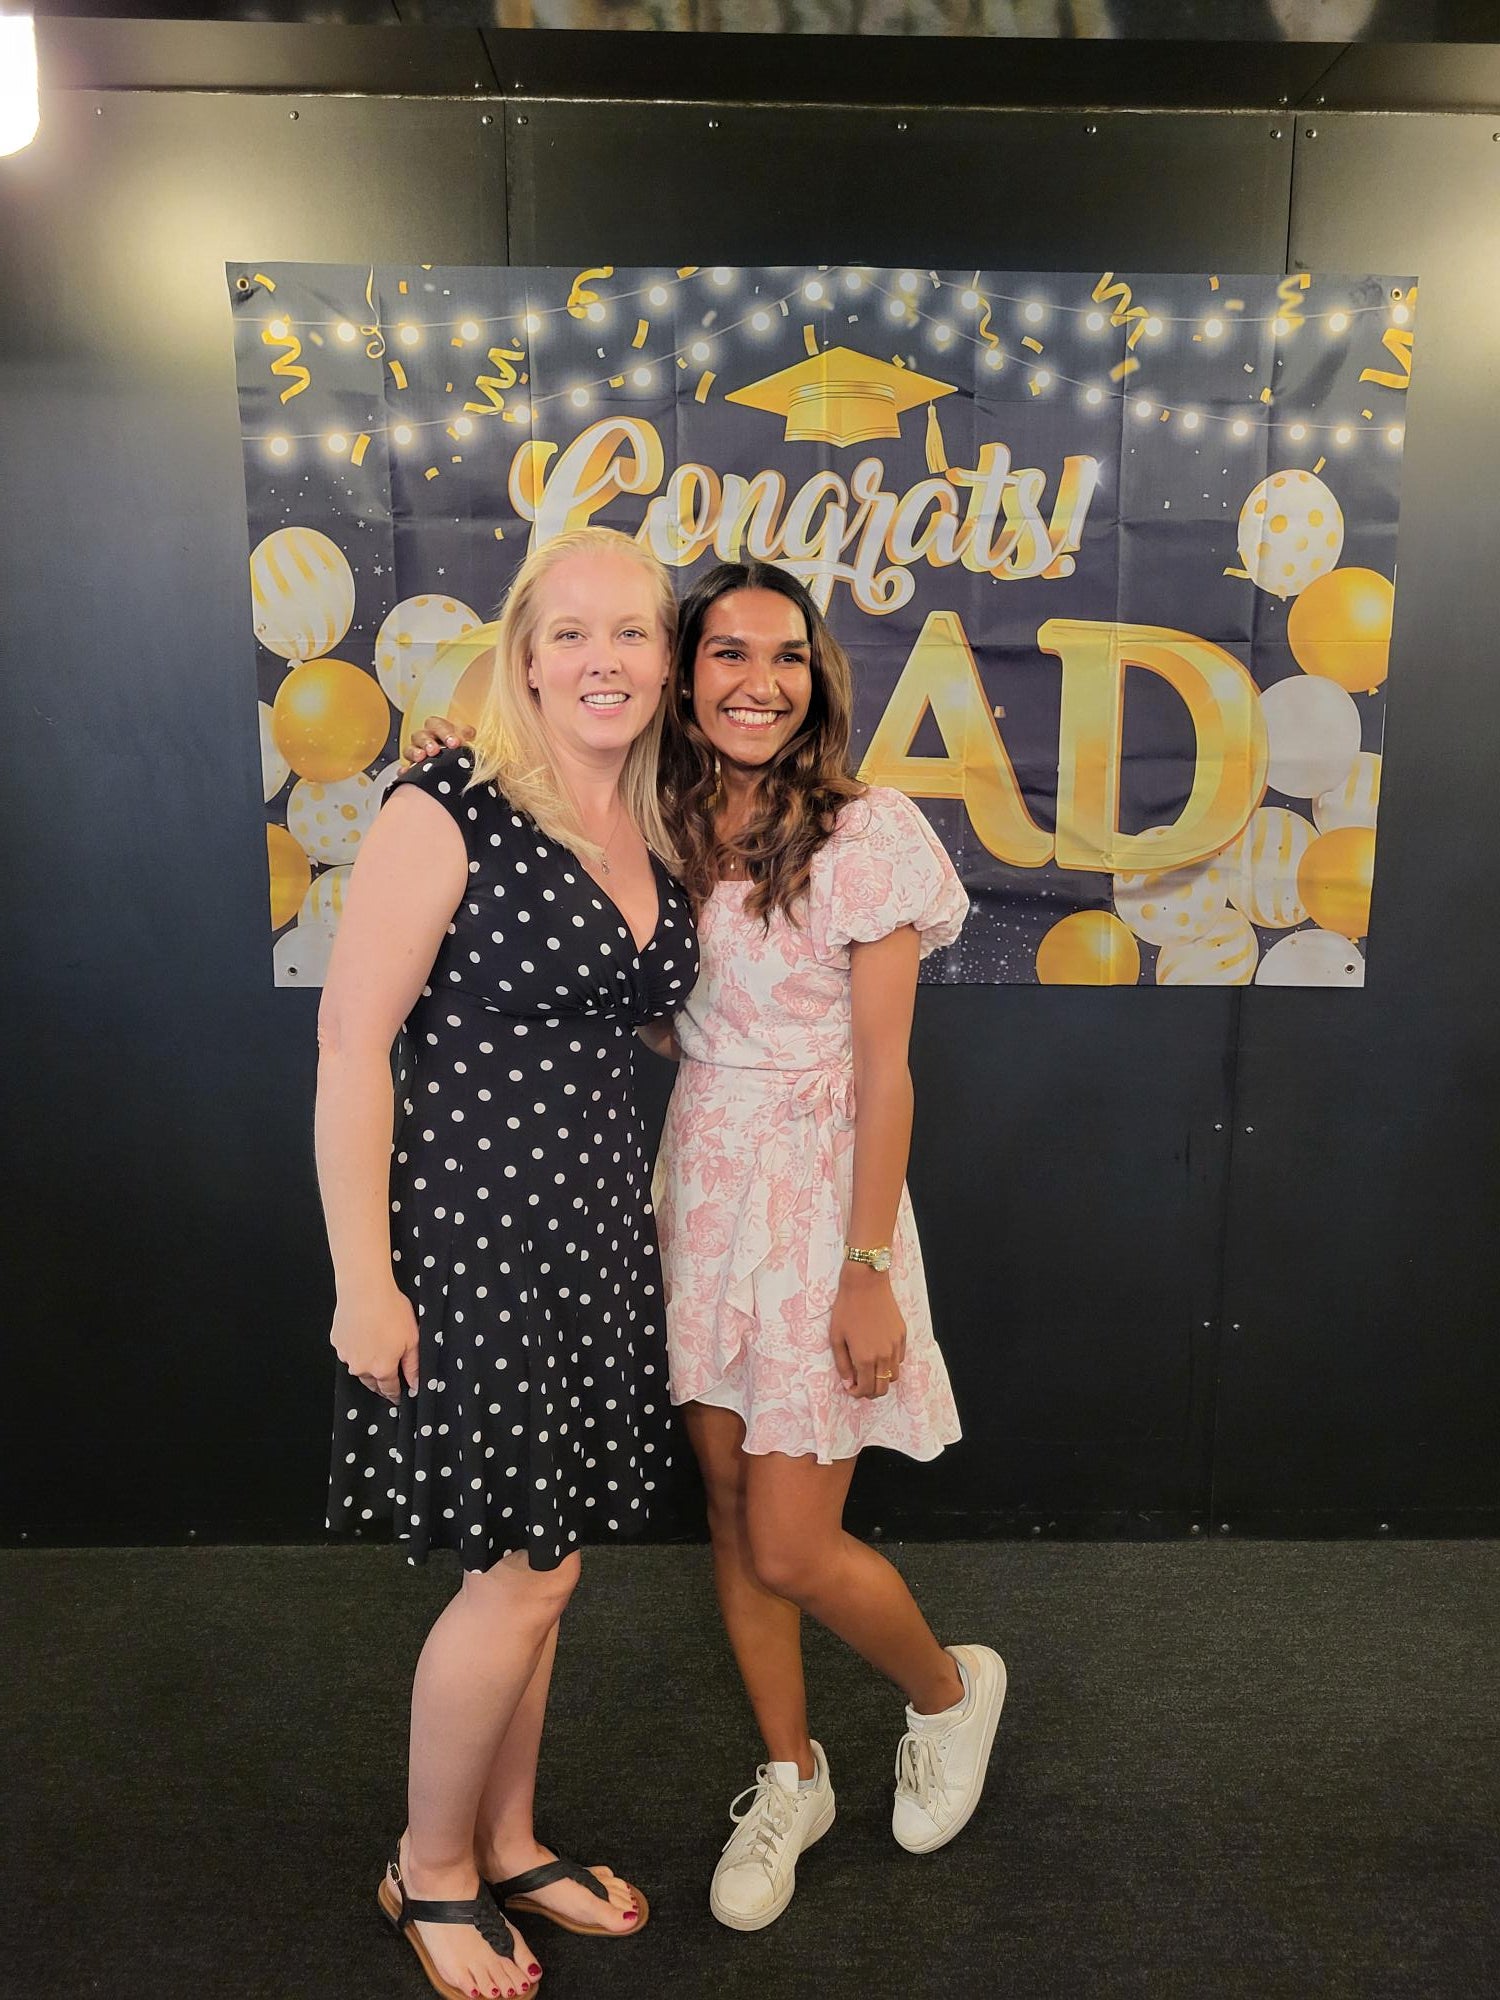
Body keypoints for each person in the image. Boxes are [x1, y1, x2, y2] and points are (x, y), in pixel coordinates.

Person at [410, 555, 1004, 1938]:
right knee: (734, 1518)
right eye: (727, 654)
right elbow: (521, 774)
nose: (758, 681)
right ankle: (790, 1773)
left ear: (817, 675)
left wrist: (866, 1267)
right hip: (698, 1194)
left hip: (823, 1199)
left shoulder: (870, 832)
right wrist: (447, 738)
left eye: (784, 655)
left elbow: (888, 1071)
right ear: (687, 678)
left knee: (796, 1542)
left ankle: (952, 1693)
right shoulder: (649, 820)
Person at [317, 525, 696, 2000]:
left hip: (594, 1236)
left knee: (551, 1559)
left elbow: (643, 1018)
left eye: (634, 635)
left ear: (665, 661)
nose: (605, 661)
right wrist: (364, 1277)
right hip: (473, 1239)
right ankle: (434, 1869)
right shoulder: (447, 798)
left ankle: (514, 1835)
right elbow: (353, 1046)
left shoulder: (657, 820)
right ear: (523, 655)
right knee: (519, 1578)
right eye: (573, 634)